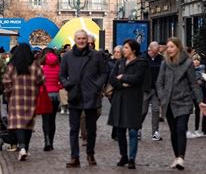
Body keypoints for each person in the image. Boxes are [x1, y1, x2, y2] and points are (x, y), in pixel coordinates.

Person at [156, 37, 206, 170]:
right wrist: (162, 97)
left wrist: (200, 101)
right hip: (168, 102)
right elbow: (159, 82)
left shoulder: (187, 63)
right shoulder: (164, 63)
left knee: (180, 129)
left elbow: (193, 84)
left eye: (172, 47)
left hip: (184, 101)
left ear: (178, 47)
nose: (169, 49)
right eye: (168, 47)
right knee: (173, 132)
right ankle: (176, 156)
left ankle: (181, 157)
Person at [59, 29, 107, 168]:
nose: (81, 41)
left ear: (87, 40)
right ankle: (75, 157)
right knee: (74, 129)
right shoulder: (67, 56)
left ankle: (90, 153)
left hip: (91, 95)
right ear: (75, 40)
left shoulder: (96, 55)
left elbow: (104, 73)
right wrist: (68, 85)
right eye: (79, 38)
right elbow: (62, 75)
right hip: (75, 95)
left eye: (83, 39)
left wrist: (97, 86)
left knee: (91, 129)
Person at [108, 39, 149, 170]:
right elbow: (112, 78)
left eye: (126, 47)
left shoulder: (141, 63)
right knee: (120, 130)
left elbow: (137, 78)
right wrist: (122, 83)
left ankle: (132, 157)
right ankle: (123, 155)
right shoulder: (119, 62)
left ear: (133, 50)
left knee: (132, 130)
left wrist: (123, 77)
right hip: (119, 98)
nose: (123, 50)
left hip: (133, 99)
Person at [3, 43, 44, 161]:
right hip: (31, 97)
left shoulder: (12, 65)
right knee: (29, 123)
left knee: (19, 122)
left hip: (15, 97)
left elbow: (6, 80)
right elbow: (41, 79)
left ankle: (21, 147)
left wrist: (9, 90)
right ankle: (26, 147)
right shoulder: (34, 65)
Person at [40, 48, 62, 151]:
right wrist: (57, 87)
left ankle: (47, 140)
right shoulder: (58, 67)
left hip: (45, 95)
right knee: (52, 119)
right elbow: (62, 81)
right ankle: (51, 143)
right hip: (55, 95)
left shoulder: (42, 67)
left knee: (45, 119)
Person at [141, 41, 163, 141]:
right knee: (143, 111)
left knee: (156, 110)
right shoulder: (143, 58)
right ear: (150, 49)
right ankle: (137, 129)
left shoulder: (161, 59)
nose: (156, 53)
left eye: (157, 51)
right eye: (154, 51)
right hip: (145, 88)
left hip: (156, 89)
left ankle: (155, 132)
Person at [187, 54, 206, 138]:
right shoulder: (188, 69)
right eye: (194, 60)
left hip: (199, 93)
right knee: (187, 111)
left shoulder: (202, 70)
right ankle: (186, 130)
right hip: (189, 93)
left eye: (198, 60)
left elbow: (203, 80)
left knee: (198, 112)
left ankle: (197, 129)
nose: (196, 61)